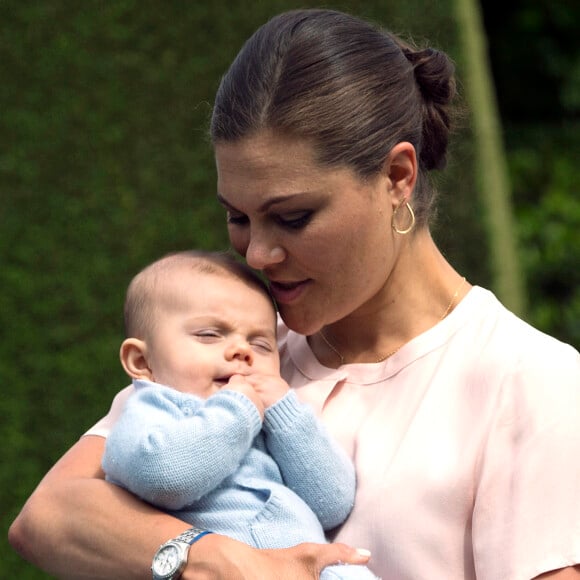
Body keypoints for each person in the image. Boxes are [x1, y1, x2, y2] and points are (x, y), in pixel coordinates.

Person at [9, 7, 580, 580]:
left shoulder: (532, 381)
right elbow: (48, 516)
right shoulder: (240, 348)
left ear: (398, 176)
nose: (256, 254)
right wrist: (217, 559)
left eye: (293, 216)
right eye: (237, 216)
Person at [101, 249, 376, 580]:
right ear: (141, 362)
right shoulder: (152, 410)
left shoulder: (265, 420)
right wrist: (238, 411)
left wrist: (284, 411)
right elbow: (166, 478)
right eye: (210, 334)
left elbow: (332, 503)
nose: (242, 351)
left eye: (261, 345)